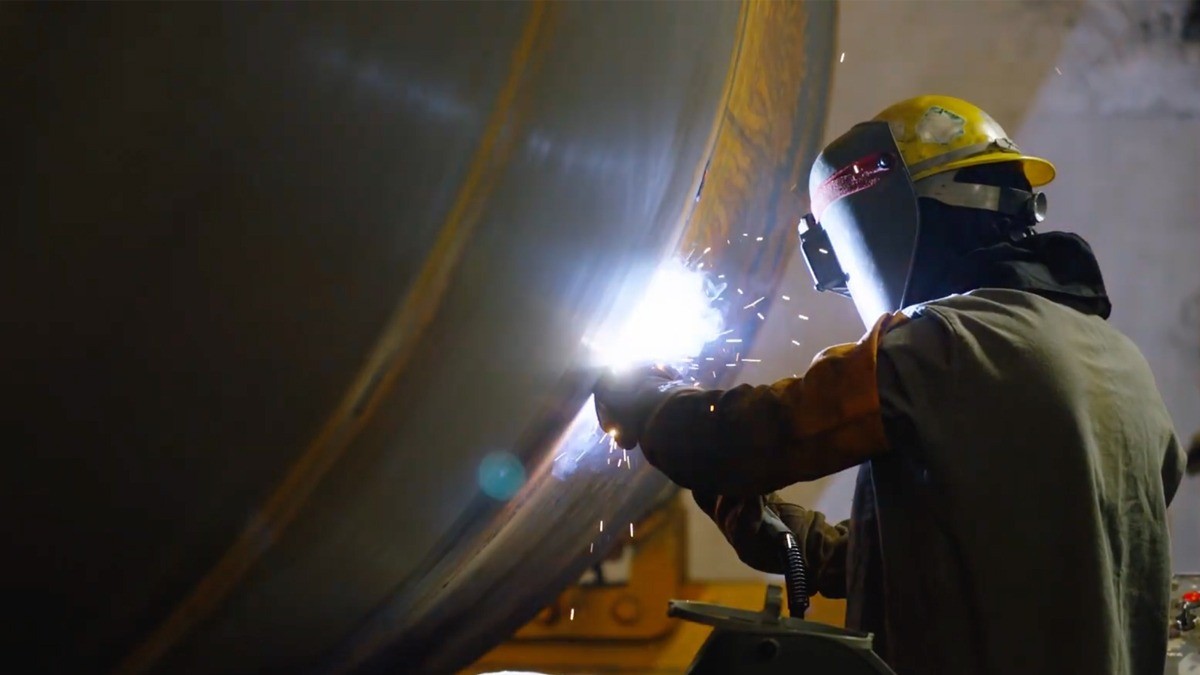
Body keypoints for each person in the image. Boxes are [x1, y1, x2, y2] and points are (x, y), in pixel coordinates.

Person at [594, 95, 1186, 675]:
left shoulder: (944, 345)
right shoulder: (1118, 362)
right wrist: (750, 512)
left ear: (880, 223)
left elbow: (748, 442)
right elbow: (905, 563)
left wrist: (647, 399)